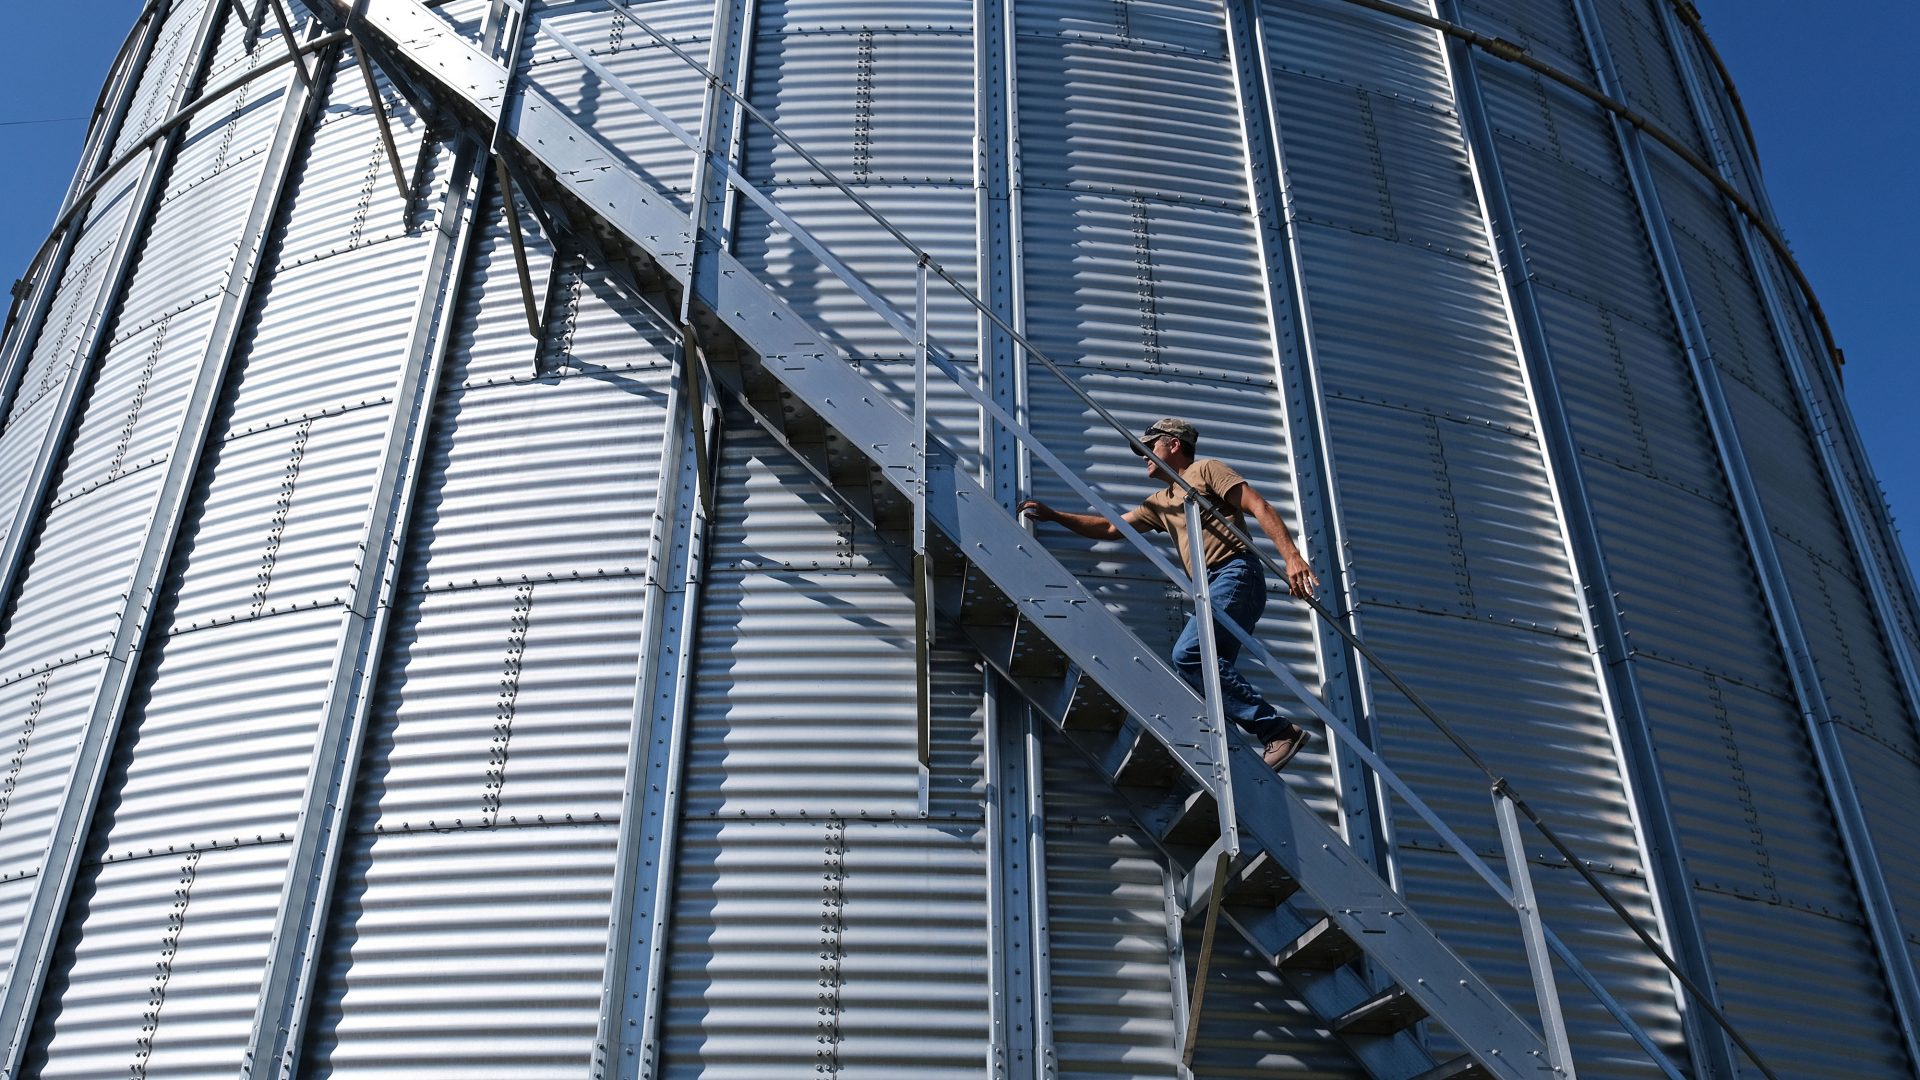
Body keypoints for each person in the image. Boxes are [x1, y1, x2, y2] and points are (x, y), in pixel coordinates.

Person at [1018, 418, 1318, 771]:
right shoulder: (1162, 501)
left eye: (1150, 445)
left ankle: (1277, 731)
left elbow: (1258, 505)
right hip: (1210, 586)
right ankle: (1244, 749)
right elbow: (1113, 527)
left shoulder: (1207, 469)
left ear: (1174, 444)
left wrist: (1292, 558)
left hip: (1236, 573)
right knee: (1208, 670)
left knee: (1189, 654)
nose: (1144, 454)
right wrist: (1055, 516)